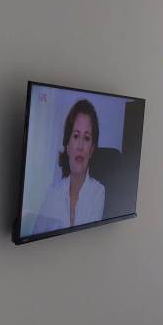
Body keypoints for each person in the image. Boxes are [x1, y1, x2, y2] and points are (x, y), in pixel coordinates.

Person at [33, 99, 106, 234]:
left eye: (87, 138)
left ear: (91, 150)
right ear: (67, 145)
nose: (80, 146)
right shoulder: (52, 193)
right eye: (76, 136)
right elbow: (34, 237)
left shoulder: (98, 193)